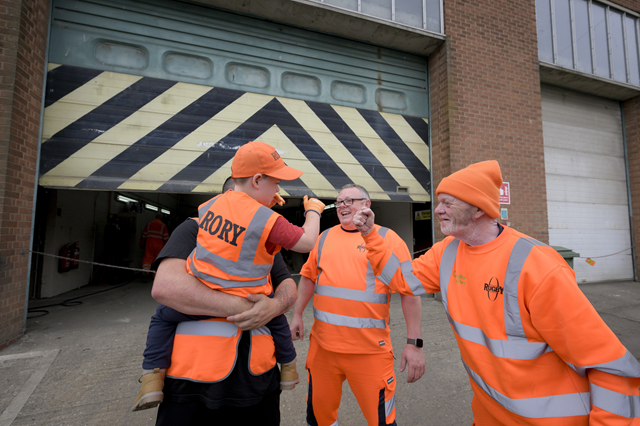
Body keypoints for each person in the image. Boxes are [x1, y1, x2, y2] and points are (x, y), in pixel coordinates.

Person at [354, 160, 640, 425]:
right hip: (489, 414)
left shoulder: (538, 266)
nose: (437, 209)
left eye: (446, 203)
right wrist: (371, 235)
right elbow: (404, 281)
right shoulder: (447, 251)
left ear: (478, 209)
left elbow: (610, 367)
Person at [134, 141, 326, 424]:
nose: (278, 192)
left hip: (257, 379)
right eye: (275, 183)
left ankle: (152, 374)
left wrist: (274, 307)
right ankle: (289, 366)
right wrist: (250, 308)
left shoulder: (226, 217)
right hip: (194, 382)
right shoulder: (195, 227)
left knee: (162, 320)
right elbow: (165, 287)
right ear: (257, 181)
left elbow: (287, 284)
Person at [289, 183, 425, 426]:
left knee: (382, 421)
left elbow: (410, 292)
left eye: (350, 200)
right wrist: (297, 314)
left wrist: (414, 343)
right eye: (340, 201)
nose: (343, 206)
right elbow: (308, 277)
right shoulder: (324, 237)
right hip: (323, 350)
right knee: (320, 418)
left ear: (367, 204)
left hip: (369, 353)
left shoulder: (388, 239)